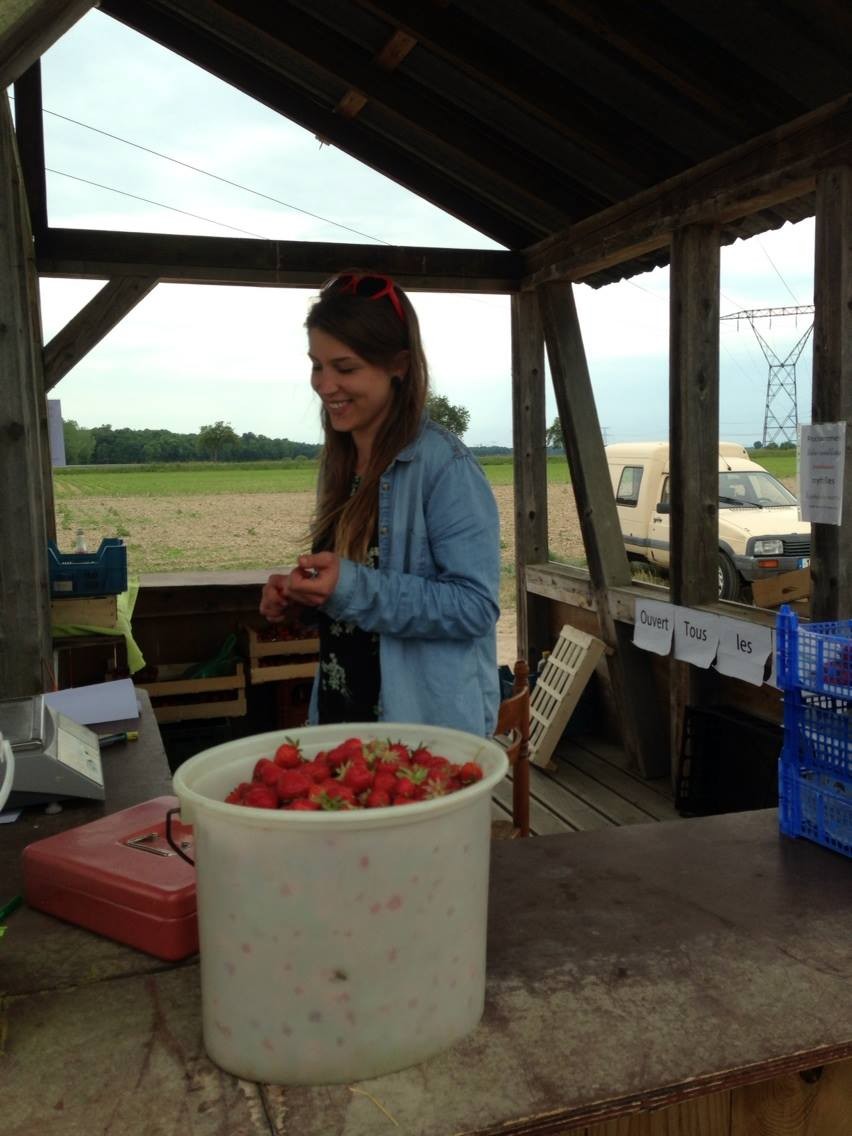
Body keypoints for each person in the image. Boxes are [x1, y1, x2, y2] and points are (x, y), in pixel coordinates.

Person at [260, 271, 500, 735]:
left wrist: (349, 587)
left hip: (419, 736)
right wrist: (304, 601)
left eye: (345, 368)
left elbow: (474, 607)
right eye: (317, 365)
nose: (325, 385)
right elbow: (356, 604)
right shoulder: (340, 462)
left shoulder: (445, 467)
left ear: (399, 365)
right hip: (338, 721)